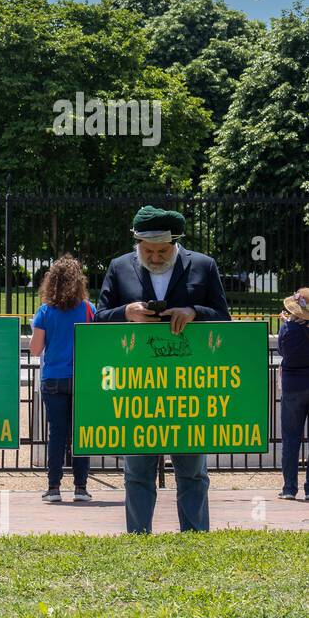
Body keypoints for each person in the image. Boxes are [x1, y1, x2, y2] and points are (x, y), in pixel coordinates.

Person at [95, 206, 230, 534]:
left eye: (162, 251)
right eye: (147, 251)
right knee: (137, 469)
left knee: (192, 469)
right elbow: (98, 318)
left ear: (176, 243)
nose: (154, 257)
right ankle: (138, 537)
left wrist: (194, 311)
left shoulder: (202, 265)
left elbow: (224, 319)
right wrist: (125, 312)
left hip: (187, 386)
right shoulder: (118, 267)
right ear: (137, 243)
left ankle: (195, 537)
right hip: (138, 385)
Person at [29, 255, 94, 504]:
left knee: (56, 434)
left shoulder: (45, 311)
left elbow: (35, 349)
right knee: (80, 434)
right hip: (81, 378)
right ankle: (81, 487)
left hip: (53, 378)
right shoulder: (89, 309)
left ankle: (54, 487)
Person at [277, 288, 309, 500]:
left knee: (290, 438)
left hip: (293, 387)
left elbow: (282, 351)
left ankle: (289, 488)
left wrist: (286, 324)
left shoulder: (288, 330)